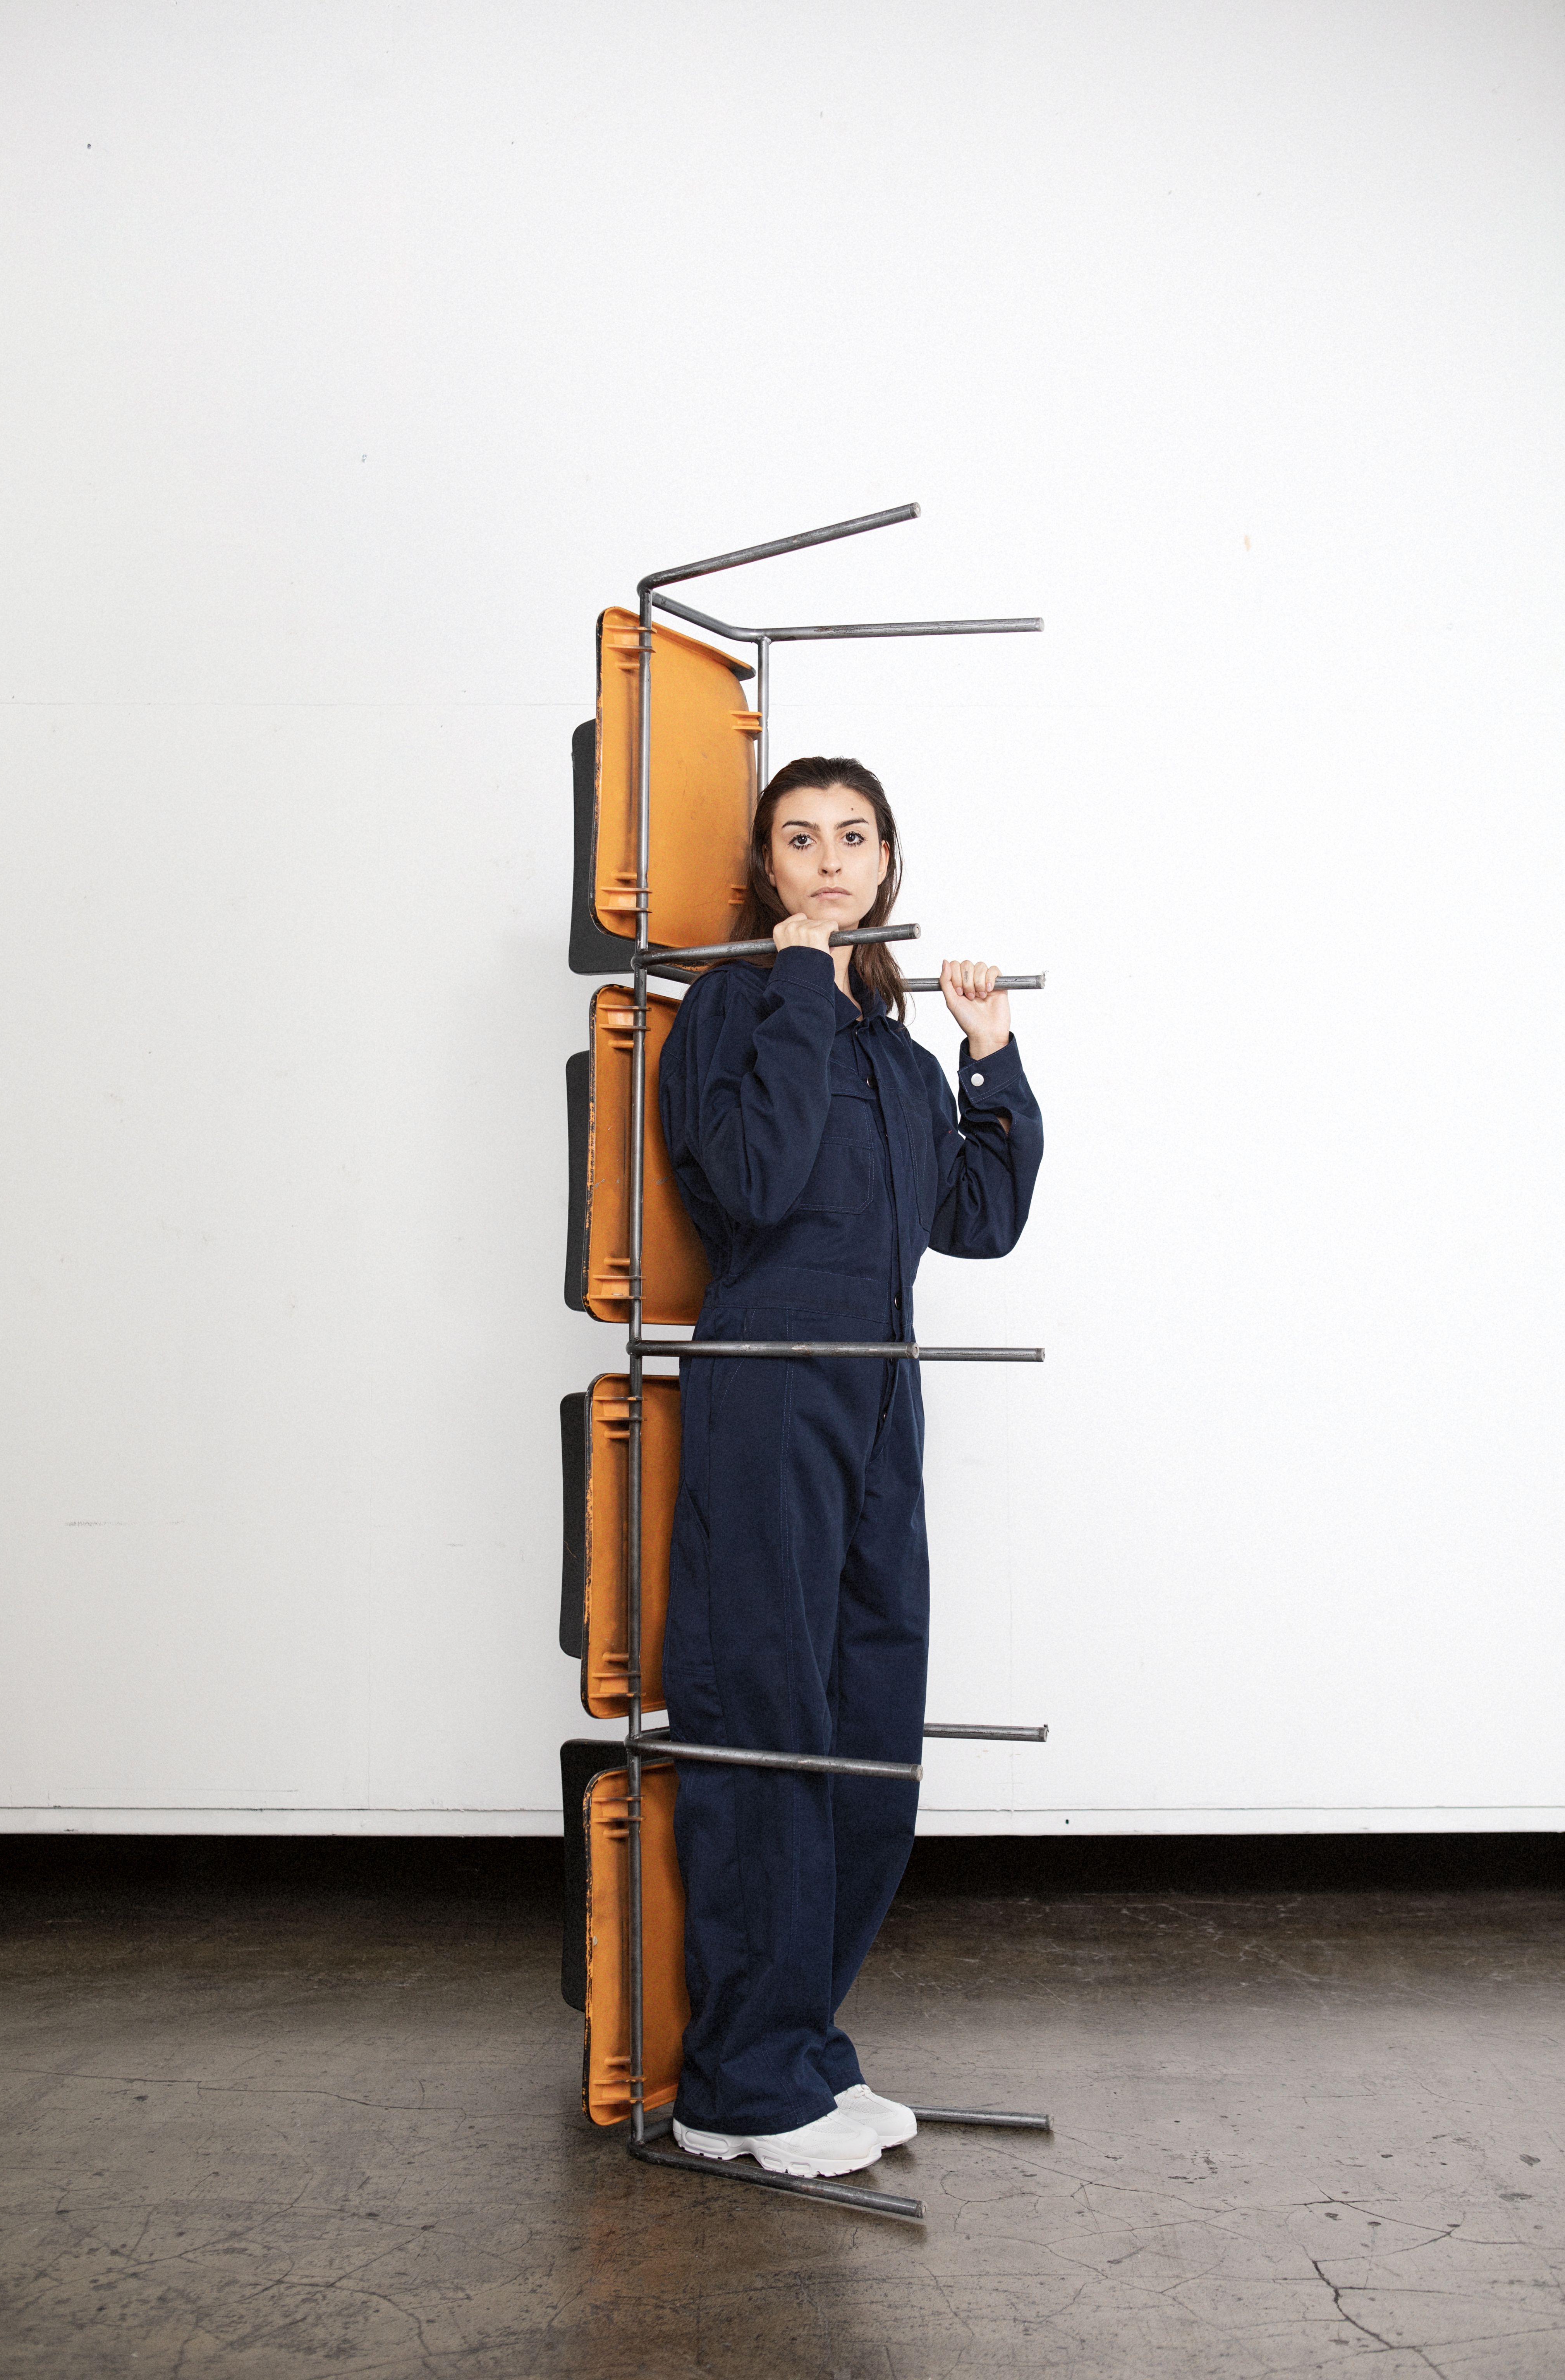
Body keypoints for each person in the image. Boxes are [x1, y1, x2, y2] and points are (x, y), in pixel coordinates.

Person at [655, 755, 1043, 2180]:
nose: (831, 860)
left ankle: (807, 2045)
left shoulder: (891, 1049)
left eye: (855, 838)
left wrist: (986, 1054)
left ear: (888, 863)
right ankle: (738, 2087)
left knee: (871, 1715)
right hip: (772, 1387)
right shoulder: (737, 1011)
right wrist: (804, 988)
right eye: (801, 839)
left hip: (883, 1394)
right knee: (768, 1712)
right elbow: (751, 1182)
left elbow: (976, 1218)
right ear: (767, 870)